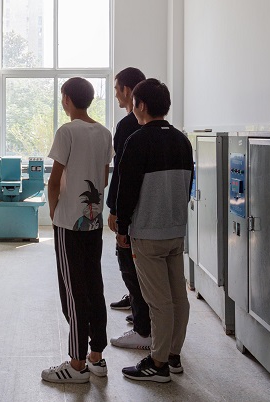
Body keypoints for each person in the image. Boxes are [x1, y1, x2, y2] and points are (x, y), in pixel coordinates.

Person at [116, 78, 193, 383]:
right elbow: (187, 186)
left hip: (148, 233)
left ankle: (158, 363)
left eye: (134, 103)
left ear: (142, 105)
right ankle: (173, 355)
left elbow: (127, 190)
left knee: (158, 302)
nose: (133, 109)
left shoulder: (138, 140)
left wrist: (122, 227)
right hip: (176, 230)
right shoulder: (182, 140)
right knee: (178, 297)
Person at [41, 77, 113, 384]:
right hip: (93, 222)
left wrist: (54, 211)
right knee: (94, 285)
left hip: (69, 223)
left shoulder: (67, 131)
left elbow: (54, 180)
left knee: (73, 292)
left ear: (68, 99)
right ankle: (96, 356)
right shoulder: (105, 133)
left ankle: (76, 363)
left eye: (62, 97)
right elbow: (104, 179)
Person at [106, 67, 152, 350]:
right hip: (150, 207)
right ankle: (138, 306)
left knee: (129, 263)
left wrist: (114, 210)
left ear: (127, 90)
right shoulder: (160, 130)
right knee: (141, 268)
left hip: (131, 207)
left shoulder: (127, 126)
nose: (115, 95)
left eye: (116, 89)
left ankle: (143, 328)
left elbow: (122, 173)